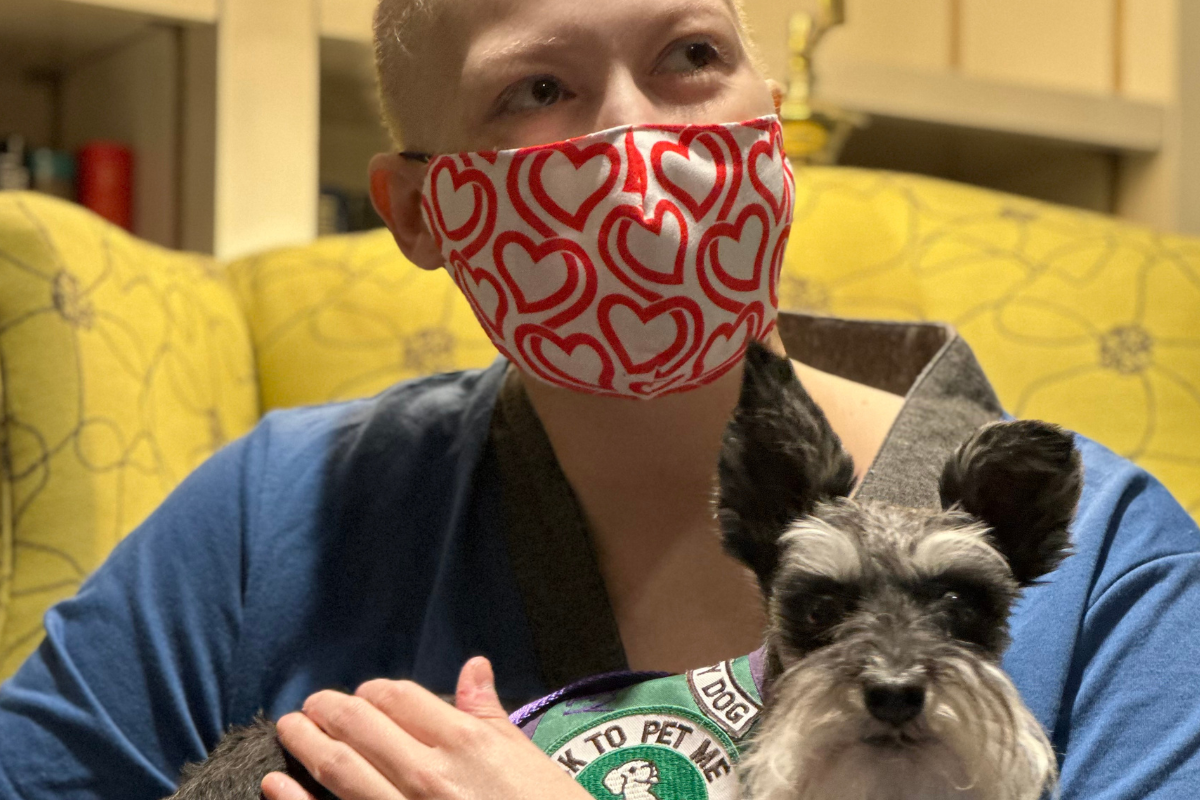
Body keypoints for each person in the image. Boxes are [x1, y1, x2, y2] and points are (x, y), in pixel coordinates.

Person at [0, 1, 1197, 799]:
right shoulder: (272, 520)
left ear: (772, 121)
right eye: (535, 89)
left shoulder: (1109, 569)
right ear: (422, 210)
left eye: (690, 54)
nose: (636, 144)